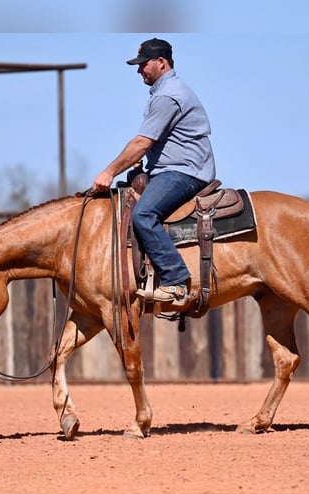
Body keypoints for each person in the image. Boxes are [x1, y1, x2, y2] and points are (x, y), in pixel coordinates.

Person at [92, 38, 216, 307]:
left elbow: (142, 142)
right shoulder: (165, 92)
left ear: (162, 62)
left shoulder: (169, 96)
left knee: (144, 214)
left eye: (143, 65)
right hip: (171, 169)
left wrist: (109, 172)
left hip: (185, 172)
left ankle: (175, 280)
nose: (139, 71)